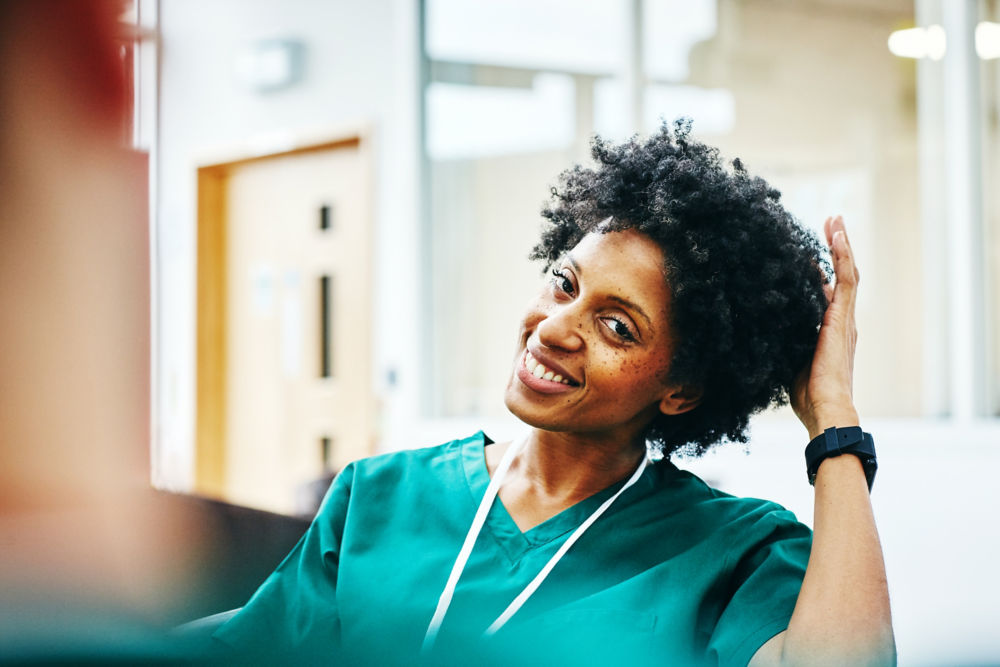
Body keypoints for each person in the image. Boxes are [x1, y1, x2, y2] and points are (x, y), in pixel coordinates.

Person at [210, 121, 895, 666]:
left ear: (681, 389)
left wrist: (832, 417)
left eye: (616, 326)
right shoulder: (378, 499)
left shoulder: (731, 549)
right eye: (564, 284)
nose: (556, 327)